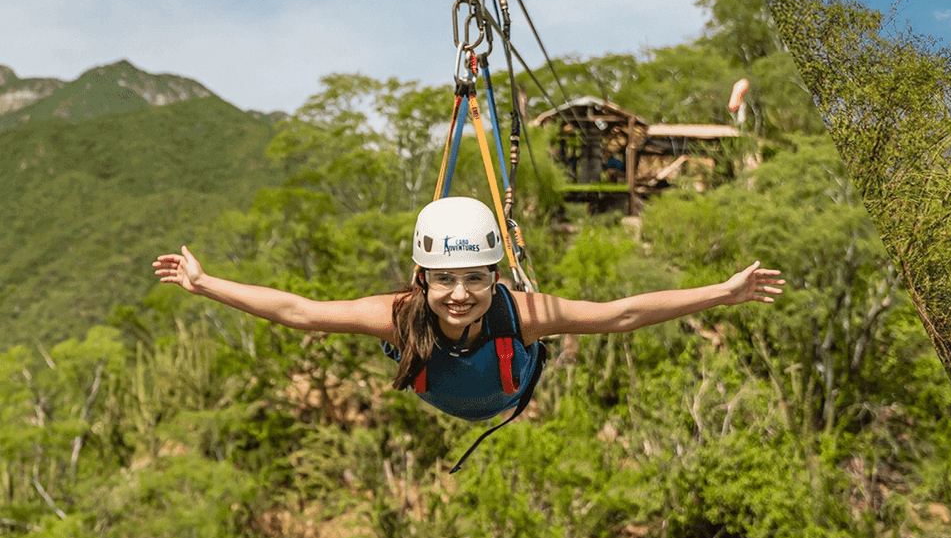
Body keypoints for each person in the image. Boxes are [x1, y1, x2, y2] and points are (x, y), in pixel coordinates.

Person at [151, 196, 784, 425]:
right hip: (449, 397)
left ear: (495, 276)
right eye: (445, 281)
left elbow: (620, 314)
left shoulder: (520, 313)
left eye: (476, 280)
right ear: (421, 280)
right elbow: (301, 311)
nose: (460, 295)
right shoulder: (399, 315)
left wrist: (721, 294)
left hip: (503, 396)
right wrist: (206, 285)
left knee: (526, 329)